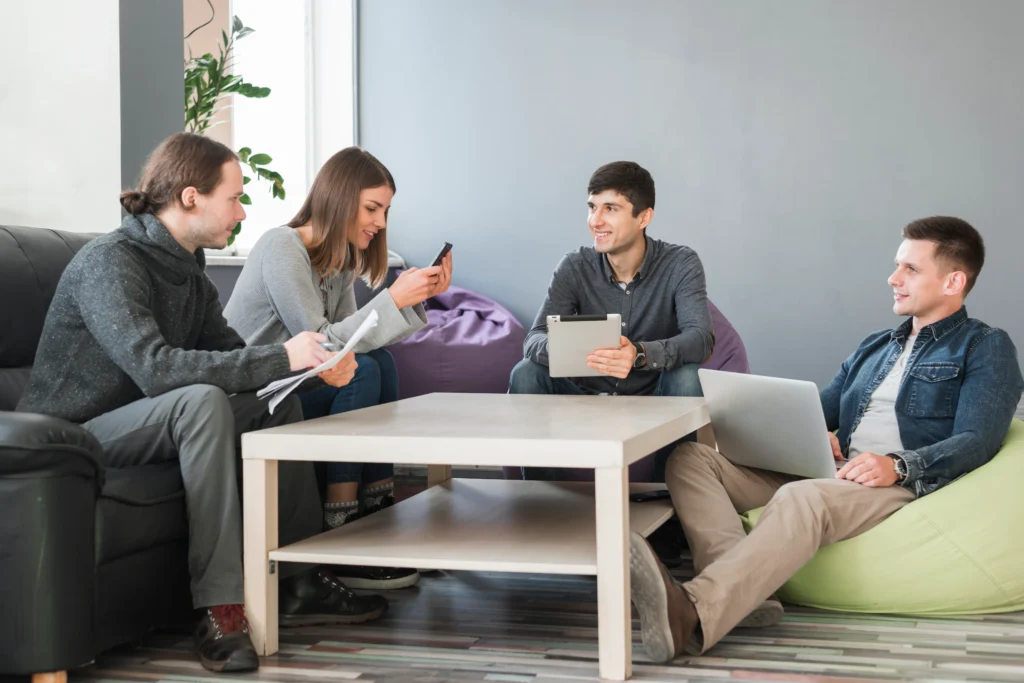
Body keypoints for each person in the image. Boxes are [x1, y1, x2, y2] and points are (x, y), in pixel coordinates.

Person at [17, 133, 389, 674]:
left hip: (146, 419)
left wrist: (309, 370)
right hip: (71, 434)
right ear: (191, 197)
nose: (243, 211)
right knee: (199, 402)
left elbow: (241, 364)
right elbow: (156, 369)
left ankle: (299, 582)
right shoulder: (110, 261)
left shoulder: (191, 273)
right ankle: (221, 609)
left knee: (273, 405)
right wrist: (281, 357)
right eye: (235, 198)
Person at [628, 216, 1023, 662]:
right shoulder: (876, 346)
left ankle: (695, 613)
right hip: (836, 474)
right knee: (691, 459)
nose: (893, 279)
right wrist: (811, 433)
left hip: (898, 486)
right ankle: (743, 597)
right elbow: (824, 407)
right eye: (897, 266)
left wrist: (897, 465)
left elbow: (979, 439)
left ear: (954, 281)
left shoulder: (985, 346)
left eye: (911, 269)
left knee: (802, 499)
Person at [225, 146, 452, 590]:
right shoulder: (281, 247)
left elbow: (352, 343)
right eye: (372, 208)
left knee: (378, 363)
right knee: (365, 370)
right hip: (257, 396)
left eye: (384, 210)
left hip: (297, 385)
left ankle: (378, 513)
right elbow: (323, 346)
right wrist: (393, 300)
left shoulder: (338, 261)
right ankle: (340, 528)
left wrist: (413, 299)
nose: (381, 223)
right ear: (339, 198)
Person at [508, 160, 714, 480]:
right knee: (525, 373)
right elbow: (533, 339)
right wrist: (582, 352)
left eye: (610, 208)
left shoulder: (680, 263)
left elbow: (701, 337)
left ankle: (674, 504)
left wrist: (639, 354)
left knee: (687, 377)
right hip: (584, 402)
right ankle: (541, 500)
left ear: (643, 217)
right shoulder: (574, 266)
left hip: (650, 402)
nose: (595, 220)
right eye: (592, 207)